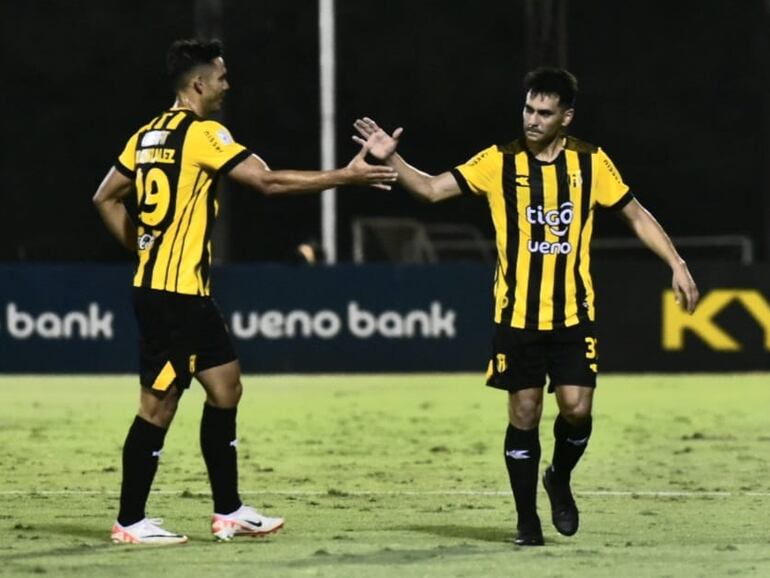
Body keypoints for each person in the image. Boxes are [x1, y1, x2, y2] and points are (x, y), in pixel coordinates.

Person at [353, 67, 699, 546]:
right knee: (526, 413)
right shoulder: (500, 161)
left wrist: (677, 263)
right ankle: (526, 521)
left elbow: (636, 214)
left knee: (576, 409)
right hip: (516, 315)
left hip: (574, 313)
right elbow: (433, 189)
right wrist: (398, 161)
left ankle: (558, 476)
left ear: (566, 117)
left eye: (544, 113)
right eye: (528, 109)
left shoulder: (591, 163)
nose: (532, 120)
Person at [93, 38, 396, 545]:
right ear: (199, 84)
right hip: (175, 295)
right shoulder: (203, 132)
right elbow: (269, 182)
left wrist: (143, 244)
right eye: (222, 76)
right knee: (157, 406)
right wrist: (348, 175)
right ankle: (129, 521)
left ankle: (229, 511)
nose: (227, 85)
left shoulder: (146, 135)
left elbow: (105, 196)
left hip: (176, 289)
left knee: (226, 386)